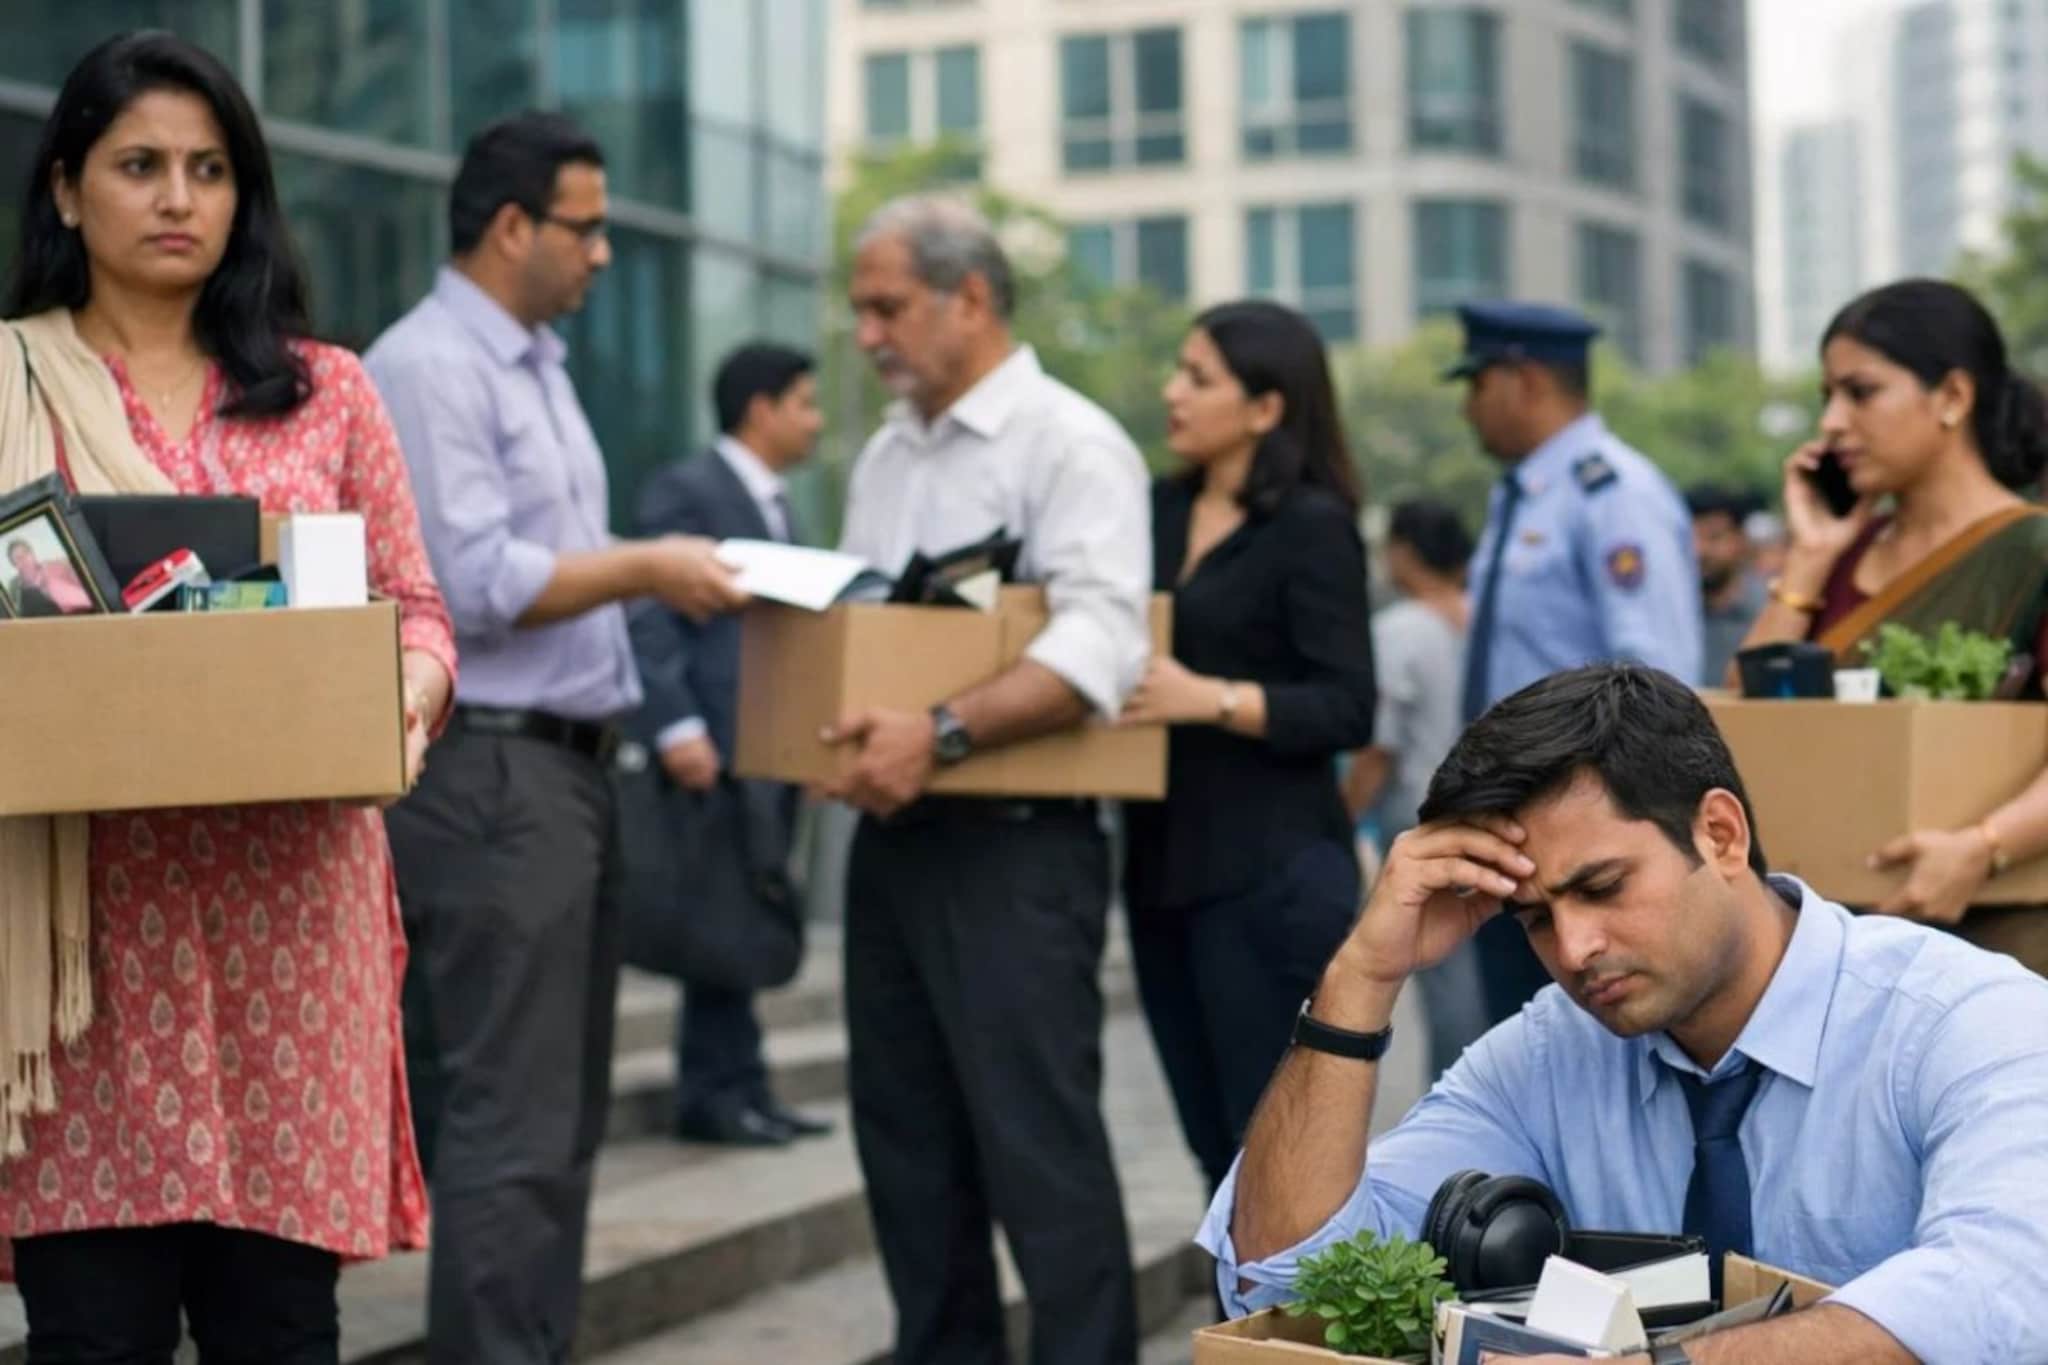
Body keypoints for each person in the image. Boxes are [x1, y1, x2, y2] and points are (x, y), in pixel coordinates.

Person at [0, 31, 457, 1363]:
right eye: (139, 165)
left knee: (283, 1329)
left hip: (291, 930)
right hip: (87, 954)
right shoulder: (5, 389)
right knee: (95, 1332)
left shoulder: (326, 395)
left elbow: (419, 611)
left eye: (209, 169)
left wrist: (406, 702)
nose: (178, 197)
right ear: (69, 188)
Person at [1201, 664, 2048, 1364]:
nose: (1574, 948)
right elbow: (1286, 1289)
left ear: (1720, 833)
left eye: (1601, 888)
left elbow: (2007, 1288)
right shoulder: (1545, 1054)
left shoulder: (1964, 1019)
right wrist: (1360, 977)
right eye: (1534, 917)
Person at [366, 113, 746, 1364]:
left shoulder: (539, 365)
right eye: (586, 226)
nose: (601, 254)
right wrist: (647, 565)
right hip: (487, 771)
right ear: (512, 224)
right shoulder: (428, 365)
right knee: (511, 1126)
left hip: (569, 771)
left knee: (560, 1123)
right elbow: (469, 579)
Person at [830, 194, 1151, 1365]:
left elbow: (1100, 645)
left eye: (886, 306)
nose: (866, 333)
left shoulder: (1068, 444)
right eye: (858, 309)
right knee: (907, 1154)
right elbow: (867, 628)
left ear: (970, 298)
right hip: (894, 843)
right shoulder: (884, 455)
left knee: (1039, 1155)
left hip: (1020, 847)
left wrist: (938, 733)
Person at [1118, 300, 1376, 1199]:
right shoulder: (1152, 509)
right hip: (1157, 865)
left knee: (1270, 1152)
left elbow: (1348, 704)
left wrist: (1211, 698)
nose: (1172, 392)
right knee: (1205, 1146)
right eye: (1177, 371)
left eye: (1198, 377)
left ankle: (1278, 1335)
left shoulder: (1311, 525)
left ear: (1266, 407)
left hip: (1270, 877)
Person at [1735, 279, 2048, 973]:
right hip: (1836, 940)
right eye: (1827, 399)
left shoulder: (2032, 552)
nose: (1833, 424)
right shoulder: (1840, 552)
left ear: (1953, 398)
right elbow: (1744, 716)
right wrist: (1811, 558)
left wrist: (1983, 845)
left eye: (1861, 392)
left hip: (2001, 935)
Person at [1447, 301, 1701, 1028]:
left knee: (1587, 1049)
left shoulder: (1612, 494)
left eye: (1476, 385)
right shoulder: (1521, 496)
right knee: (1520, 1051)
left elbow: (1657, 679)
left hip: (1578, 834)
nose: (1468, 411)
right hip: (1510, 823)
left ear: (1523, 381)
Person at [627, 341, 829, 1147]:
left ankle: (747, 1087)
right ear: (762, 408)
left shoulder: (780, 505)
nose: (815, 421)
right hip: (710, 749)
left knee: (745, 919)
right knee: (716, 925)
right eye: (806, 403)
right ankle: (712, 1094)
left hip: (768, 752)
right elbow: (648, 611)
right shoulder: (690, 489)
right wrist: (675, 724)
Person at [1341, 499, 1486, 1081]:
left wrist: (1344, 816)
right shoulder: (1483, 617)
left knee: (1447, 981)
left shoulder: (1399, 630)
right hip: (1502, 812)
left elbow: (1380, 747)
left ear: (1403, 551)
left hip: (1427, 819)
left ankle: (1458, 1095)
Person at [1687, 484, 1767, 686]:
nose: (1700, 551)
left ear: (1741, 540)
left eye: (1714, 537)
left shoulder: (1769, 611)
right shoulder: (1670, 615)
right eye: (1690, 538)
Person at [6, 537, 92, 614]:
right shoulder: (18, 593)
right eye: (18, 558)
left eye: (25, 553)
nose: (23, 559)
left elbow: (84, 588)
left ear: (33, 554)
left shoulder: (54, 567)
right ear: (15, 565)